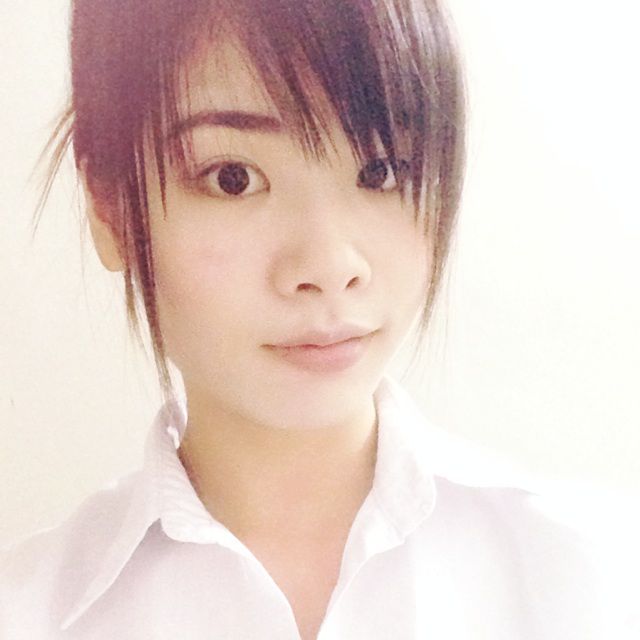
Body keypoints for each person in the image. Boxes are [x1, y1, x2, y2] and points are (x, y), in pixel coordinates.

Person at [1, 0, 636, 638]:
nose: (329, 267)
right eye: (232, 178)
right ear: (109, 209)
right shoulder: (31, 613)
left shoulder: (593, 580)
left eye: (381, 170)